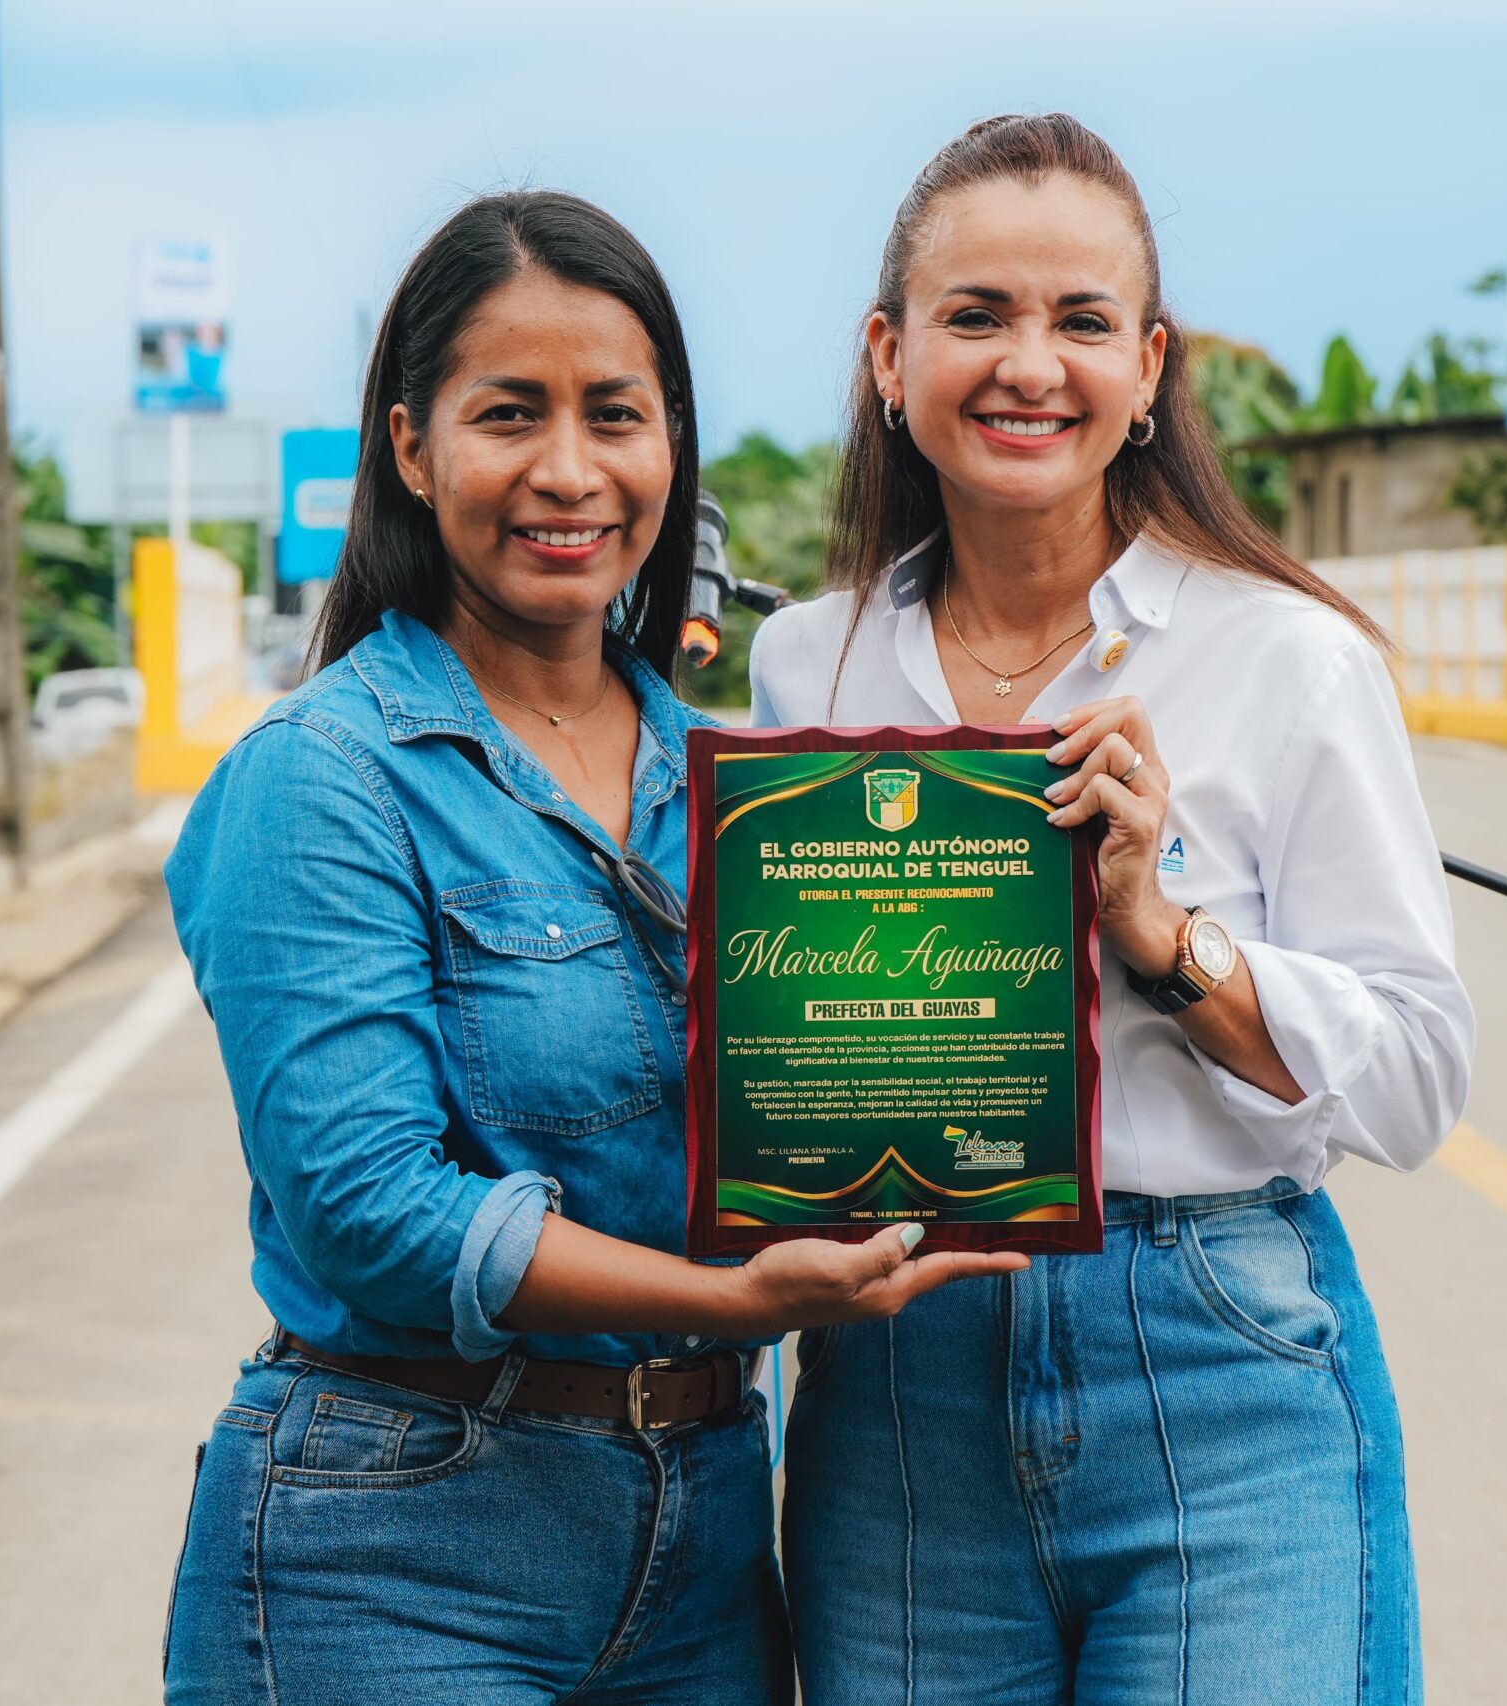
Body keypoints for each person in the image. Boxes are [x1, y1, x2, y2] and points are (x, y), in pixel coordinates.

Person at [161, 190, 1024, 1706]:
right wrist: (744, 1303)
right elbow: (371, 1210)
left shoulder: (739, 788)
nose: (568, 471)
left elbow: (821, 1114)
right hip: (395, 1550)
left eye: (614, 415)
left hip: (703, 1545)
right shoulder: (325, 773)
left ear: (669, 448)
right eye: (510, 414)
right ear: (413, 446)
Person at [750, 116, 1474, 1705]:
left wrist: (1163, 932)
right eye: (976, 314)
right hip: (896, 1377)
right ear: (889, 355)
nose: (1031, 364)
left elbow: (1419, 1078)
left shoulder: (1288, 659)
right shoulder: (807, 664)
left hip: (1213, 1347)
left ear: (1149, 371)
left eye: (1083, 322)